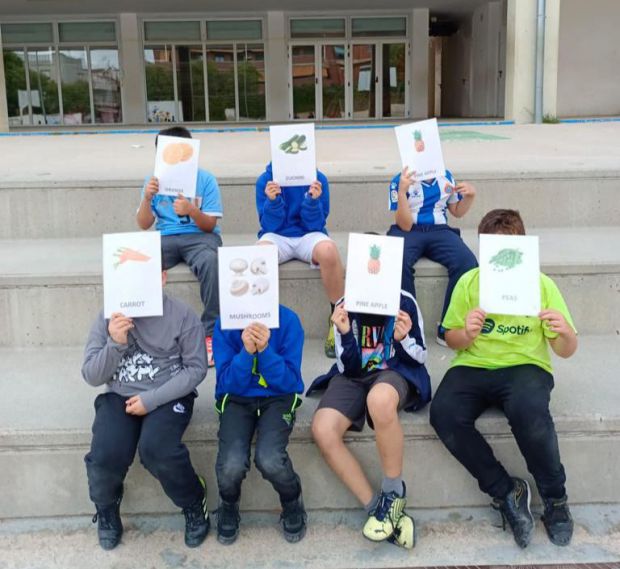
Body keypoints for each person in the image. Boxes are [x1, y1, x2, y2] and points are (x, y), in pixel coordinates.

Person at [430, 209, 578, 549]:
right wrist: (465, 334)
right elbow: (451, 337)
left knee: (530, 413)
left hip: (525, 365)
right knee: (444, 414)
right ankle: (505, 489)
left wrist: (565, 333)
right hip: (474, 363)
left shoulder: (542, 285)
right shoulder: (469, 282)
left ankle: (555, 501)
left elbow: (565, 349)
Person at [82, 269, 209, 551]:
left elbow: (197, 368)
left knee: (157, 450)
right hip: (120, 395)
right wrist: (114, 343)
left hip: (167, 394)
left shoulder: (182, 315)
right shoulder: (109, 315)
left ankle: (193, 500)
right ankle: (106, 509)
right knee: (104, 455)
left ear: (163, 278)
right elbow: (91, 375)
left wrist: (151, 400)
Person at [308, 291, 431, 549]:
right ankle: (378, 509)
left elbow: (420, 357)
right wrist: (343, 333)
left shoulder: (404, 301)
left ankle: (393, 492)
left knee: (380, 401)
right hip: (353, 376)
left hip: (394, 371)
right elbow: (347, 367)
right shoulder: (345, 304)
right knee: (323, 428)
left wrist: (403, 338)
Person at [212, 306, 307, 544]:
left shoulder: (288, 320)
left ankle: (292, 500)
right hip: (236, 398)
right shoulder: (225, 322)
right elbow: (226, 383)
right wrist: (246, 352)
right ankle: (229, 503)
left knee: (270, 458)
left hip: (278, 397)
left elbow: (290, 382)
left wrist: (264, 351)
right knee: (231, 464)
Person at [137, 126, 223, 366]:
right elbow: (143, 224)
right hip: (165, 237)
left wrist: (192, 211)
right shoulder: (152, 181)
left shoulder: (205, 180)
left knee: (211, 262)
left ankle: (210, 332)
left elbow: (210, 225)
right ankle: (144, 333)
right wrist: (146, 198)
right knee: (139, 263)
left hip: (200, 237)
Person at [256, 163, 344, 358]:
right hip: (277, 235)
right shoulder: (265, 180)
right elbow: (268, 225)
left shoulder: (318, 178)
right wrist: (272, 201)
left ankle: (337, 318)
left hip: (308, 234)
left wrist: (312, 201)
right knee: (259, 255)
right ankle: (261, 322)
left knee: (329, 251)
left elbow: (317, 224)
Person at [387, 166, 478, 346]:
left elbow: (457, 212)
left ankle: (448, 326)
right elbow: (404, 225)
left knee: (467, 262)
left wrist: (469, 196)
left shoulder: (446, 176)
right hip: (409, 230)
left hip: (440, 230)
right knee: (396, 260)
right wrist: (403, 192)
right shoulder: (400, 180)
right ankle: (407, 325)